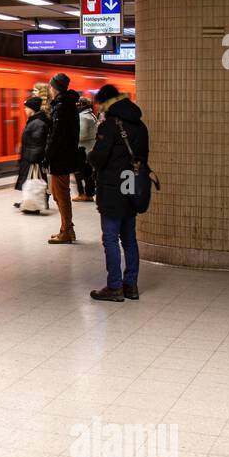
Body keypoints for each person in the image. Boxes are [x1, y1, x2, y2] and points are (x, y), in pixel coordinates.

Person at [88, 84, 149, 302]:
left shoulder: (110, 126)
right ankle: (131, 285)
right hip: (131, 187)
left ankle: (114, 286)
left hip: (112, 190)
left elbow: (98, 159)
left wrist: (90, 156)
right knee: (130, 239)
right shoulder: (140, 125)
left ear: (106, 103)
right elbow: (142, 158)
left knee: (111, 238)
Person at [42, 72, 80, 244]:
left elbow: (56, 136)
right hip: (63, 156)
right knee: (58, 194)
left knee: (61, 195)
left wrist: (47, 157)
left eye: (50, 86)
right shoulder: (66, 105)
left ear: (54, 87)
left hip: (61, 157)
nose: (49, 89)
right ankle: (66, 228)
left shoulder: (63, 106)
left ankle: (67, 231)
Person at [13, 95, 50, 212]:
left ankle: (34, 204)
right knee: (31, 180)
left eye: (26, 108)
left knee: (34, 180)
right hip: (29, 155)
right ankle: (30, 202)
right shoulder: (34, 121)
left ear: (32, 109)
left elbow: (38, 143)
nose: (24, 110)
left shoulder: (38, 122)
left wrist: (34, 158)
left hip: (32, 157)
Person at [74, 97, 98, 202]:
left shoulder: (82, 117)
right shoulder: (91, 115)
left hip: (82, 149)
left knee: (79, 172)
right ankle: (90, 194)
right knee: (88, 173)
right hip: (90, 148)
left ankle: (82, 193)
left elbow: (82, 135)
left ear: (81, 105)